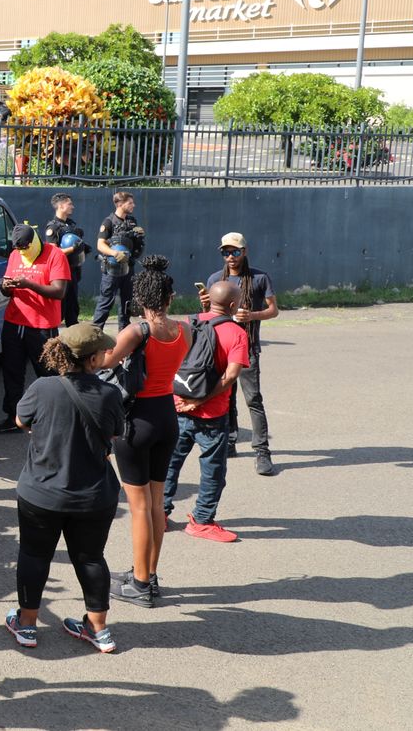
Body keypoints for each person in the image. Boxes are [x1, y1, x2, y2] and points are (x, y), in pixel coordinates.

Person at [4, 323, 125, 654]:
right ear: (90, 359)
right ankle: (98, 630)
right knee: (90, 557)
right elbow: (114, 435)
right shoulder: (109, 394)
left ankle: (27, 625)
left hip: (41, 492)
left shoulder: (43, 388)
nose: (106, 354)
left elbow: (21, 421)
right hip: (94, 495)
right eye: (102, 351)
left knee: (33, 554)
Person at [97, 255, 191, 607]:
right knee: (155, 503)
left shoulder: (137, 331)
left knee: (137, 507)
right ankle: (148, 574)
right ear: (169, 298)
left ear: (140, 301)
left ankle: (138, 583)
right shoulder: (185, 329)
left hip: (137, 422)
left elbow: (105, 361)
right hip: (167, 417)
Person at [163, 281, 251, 543]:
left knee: (169, 464)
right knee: (213, 470)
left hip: (178, 406)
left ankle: (160, 514)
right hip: (212, 415)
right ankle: (202, 521)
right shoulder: (236, 333)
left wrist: (180, 398)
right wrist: (200, 402)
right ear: (233, 305)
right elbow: (231, 375)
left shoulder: (188, 324)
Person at [203, 232, 279, 476]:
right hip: (222, 348)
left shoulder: (259, 277)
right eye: (225, 252)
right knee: (225, 397)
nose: (230, 257)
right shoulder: (216, 279)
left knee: (253, 399)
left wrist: (253, 316)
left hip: (247, 347)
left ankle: (262, 451)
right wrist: (205, 305)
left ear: (244, 251)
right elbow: (210, 316)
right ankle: (230, 440)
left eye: (235, 251)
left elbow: (273, 310)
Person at [0, 224, 70, 435]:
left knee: (48, 373)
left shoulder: (55, 254)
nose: (23, 252)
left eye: (26, 247)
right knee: (12, 371)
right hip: (15, 322)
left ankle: (54, 418)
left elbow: (59, 292)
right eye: (19, 248)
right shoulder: (16, 255)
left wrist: (28, 284)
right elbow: (7, 291)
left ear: (34, 241)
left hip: (42, 326)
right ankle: (13, 418)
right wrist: (6, 288)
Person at [92, 191, 145, 331]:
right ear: (120, 204)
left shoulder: (132, 221)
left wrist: (138, 236)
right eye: (130, 203)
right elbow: (100, 245)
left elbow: (137, 245)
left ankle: (124, 336)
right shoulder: (108, 222)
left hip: (128, 268)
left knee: (127, 304)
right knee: (105, 303)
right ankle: (95, 335)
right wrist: (115, 253)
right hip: (111, 269)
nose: (134, 205)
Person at [44, 193, 88, 328]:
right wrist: (72, 249)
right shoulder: (53, 228)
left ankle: (74, 342)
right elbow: (53, 252)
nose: (72, 207)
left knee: (72, 308)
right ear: (61, 206)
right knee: (60, 308)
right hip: (61, 274)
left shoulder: (71, 225)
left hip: (73, 270)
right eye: (69, 204)